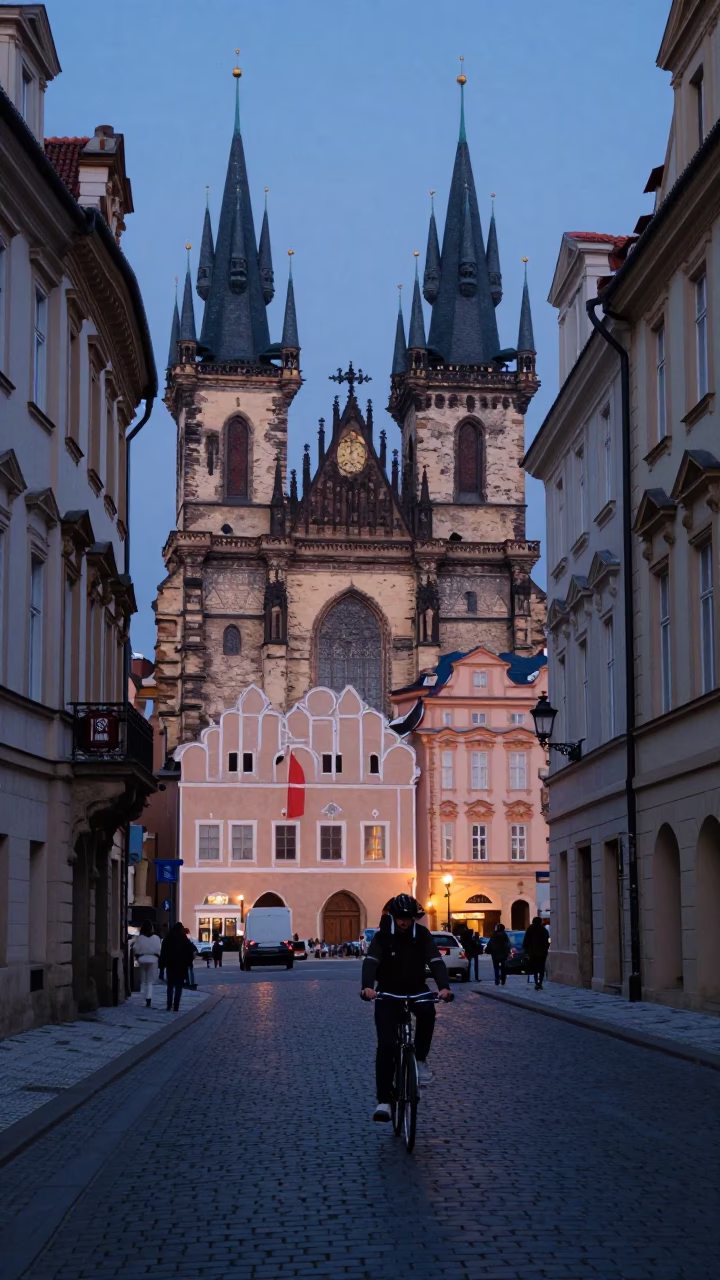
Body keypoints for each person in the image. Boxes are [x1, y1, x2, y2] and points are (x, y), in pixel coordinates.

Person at [361, 894, 452, 1123]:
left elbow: (435, 961)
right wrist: (367, 988)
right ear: (393, 916)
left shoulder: (421, 935)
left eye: (408, 918)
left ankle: (419, 1060)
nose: (404, 922)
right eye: (400, 918)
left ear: (414, 918)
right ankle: (384, 1101)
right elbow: (371, 962)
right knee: (387, 1044)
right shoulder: (382, 937)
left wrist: (444, 987)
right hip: (388, 992)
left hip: (416, 988)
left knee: (428, 1012)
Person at [160, 922, 194, 1012]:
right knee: (179, 986)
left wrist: (162, 967)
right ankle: (176, 1006)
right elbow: (190, 952)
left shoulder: (168, 938)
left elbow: (163, 953)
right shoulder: (184, 939)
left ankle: (168, 1004)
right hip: (181, 966)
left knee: (170, 986)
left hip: (170, 965)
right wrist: (189, 964)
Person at [132, 921, 162, 1008]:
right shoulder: (156, 938)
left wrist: (137, 956)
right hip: (153, 959)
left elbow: (135, 949)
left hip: (142, 959)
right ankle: (149, 998)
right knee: (149, 982)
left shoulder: (140, 938)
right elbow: (158, 949)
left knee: (143, 980)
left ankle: (143, 998)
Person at [523, 916, 550, 989]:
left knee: (535, 968)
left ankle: (536, 982)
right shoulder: (543, 930)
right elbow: (547, 941)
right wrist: (546, 948)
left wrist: (526, 950)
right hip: (542, 952)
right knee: (541, 968)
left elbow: (526, 940)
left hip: (533, 952)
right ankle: (540, 983)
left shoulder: (530, 929)